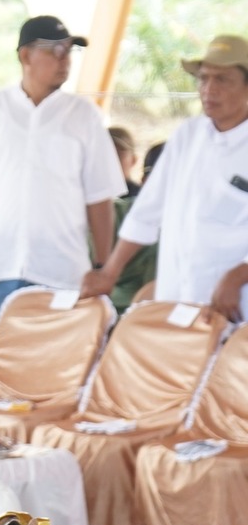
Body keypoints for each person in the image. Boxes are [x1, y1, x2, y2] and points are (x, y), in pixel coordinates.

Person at [0, 15, 124, 350]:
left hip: (63, 275)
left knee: (54, 374)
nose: (65, 60)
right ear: (25, 56)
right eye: (55, 50)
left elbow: (99, 199)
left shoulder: (84, 116)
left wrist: (103, 266)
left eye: (69, 52)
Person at [83, 35, 248, 322]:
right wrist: (109, 272)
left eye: (222, 80)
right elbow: (147, 213)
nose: (209, 89)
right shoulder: (188, 136)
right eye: (204, 79)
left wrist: (238, 275)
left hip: (234, 310)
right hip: (178, 299)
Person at [104, 126, 157, 313]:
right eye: (103, 156)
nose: (109, 163)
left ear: (133, 160)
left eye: (117, 156)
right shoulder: (117, 211)